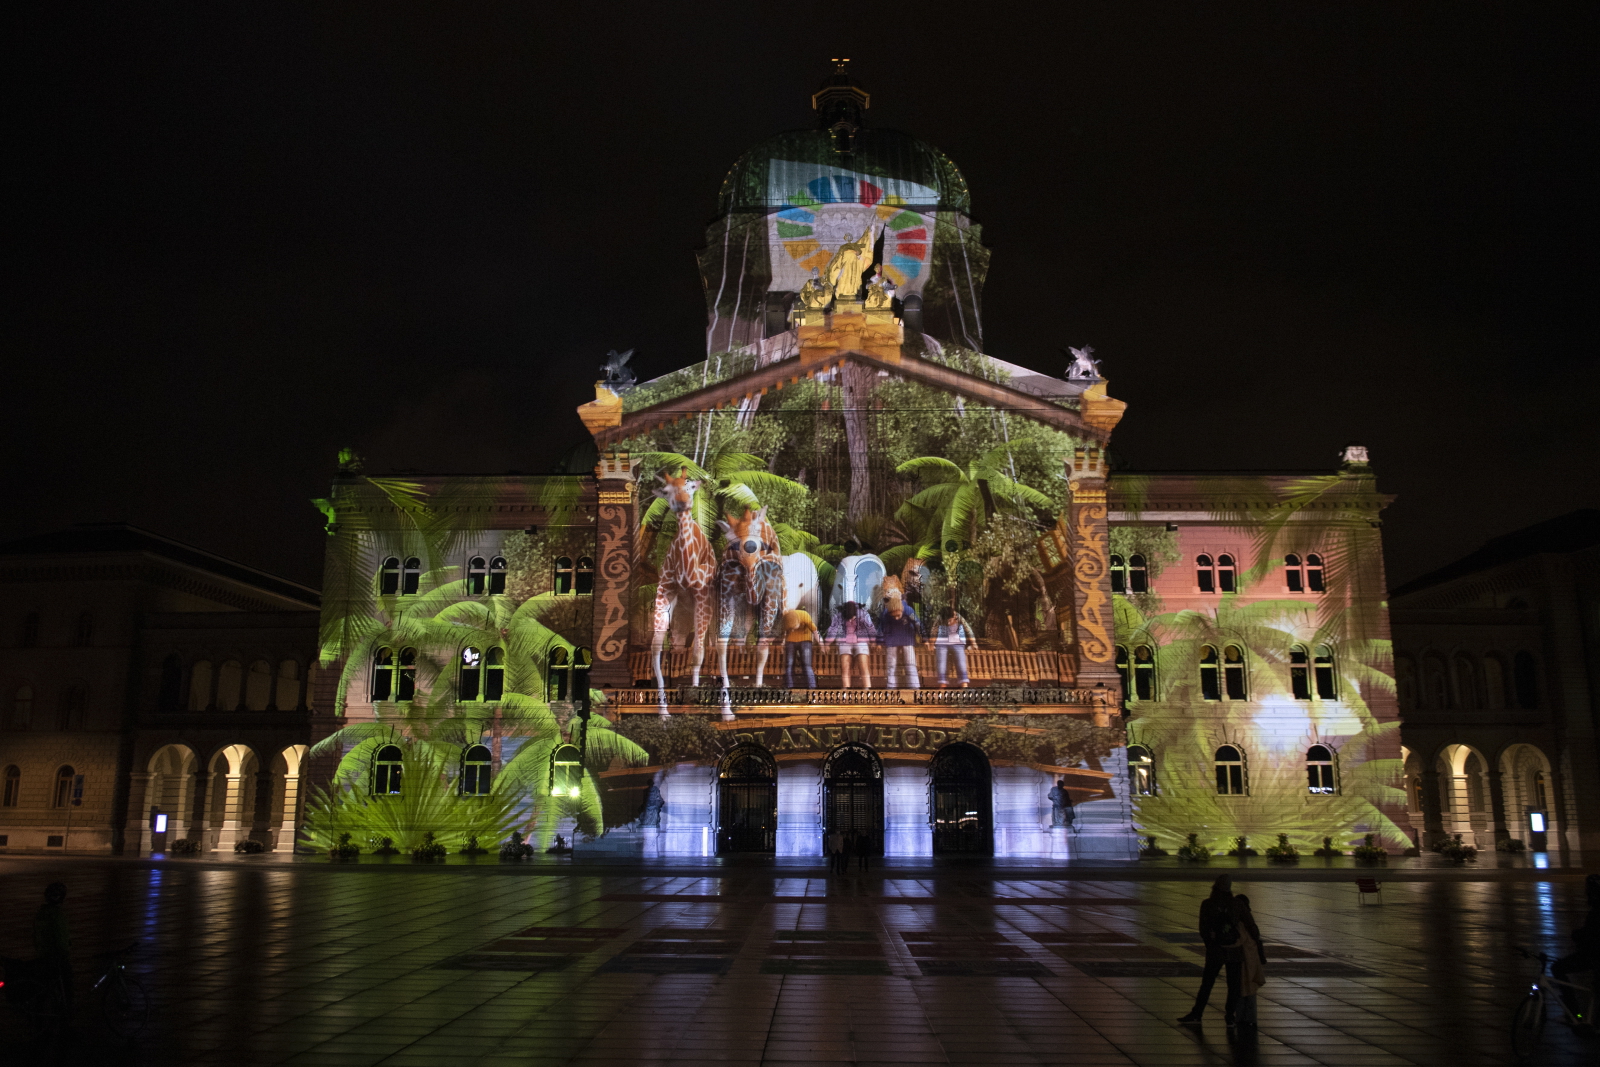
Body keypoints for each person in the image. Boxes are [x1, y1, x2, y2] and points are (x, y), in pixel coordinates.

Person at [1178, 875, 1240, 1026]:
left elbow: (1203, 930)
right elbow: (1248, 925)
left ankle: (1197, 1013)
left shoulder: (1207, 904)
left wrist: (1211, 943)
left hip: (1215, 950)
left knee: (1207, 983)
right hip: (1234, 950)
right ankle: (1230, 1015)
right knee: (1234, 985)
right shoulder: (1236, 904)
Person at [1553, 873, 1600, 1022]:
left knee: (1558, 968)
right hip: (1593, 955)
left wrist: (1577, 935)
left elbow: (1591, 935)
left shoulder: (1596, 910)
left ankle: (1573, 1012)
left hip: (1592, 956)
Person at [1228, 895, 1268, 1029]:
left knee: (1241, 989)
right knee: (1250, 990)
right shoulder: (1250, 924)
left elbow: (1238, 941)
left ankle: (1241, 1017)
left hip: (1243, 961)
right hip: (1252, 962)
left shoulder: (1240, 924)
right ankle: (1250, 1018)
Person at [33, 881, 72, 1008]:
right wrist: (66, 953)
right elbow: (61, 939)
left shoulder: (40, 914)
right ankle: (66, 1017)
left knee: (46, 987)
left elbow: (35, 935)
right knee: (67, 988)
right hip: (57, 958)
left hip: (43, 956)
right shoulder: (57, 915)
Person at [825, 602, 875, 688]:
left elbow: (870, 627)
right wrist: (828, 642)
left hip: (861, 641)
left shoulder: (863, 614)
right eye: (848, 618)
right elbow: (833, 628)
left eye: (853, 618)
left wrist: (873, 641)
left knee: (863, 663)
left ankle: (867, 687)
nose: (851, 620)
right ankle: (846, 688)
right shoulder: (839, 616)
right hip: (845, 641)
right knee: (845, 665)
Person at [877, 591, 921, 689]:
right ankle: (891, 688)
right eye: (894, 616)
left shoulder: (909, 610)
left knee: (910, 665)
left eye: (898, 615)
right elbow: (881, 628)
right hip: (892, 639)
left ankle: (915, 689)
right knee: (891, 666)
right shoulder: (885, 613)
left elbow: (917, 624)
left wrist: (923, 637)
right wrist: (879, 642)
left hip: (907, 638)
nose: (896, 618)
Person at [933, 607, 976, 687]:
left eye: (951, 620)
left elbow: (968, 629)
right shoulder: (939, 618)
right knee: (941, 662)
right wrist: (931, 643)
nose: (949, 623)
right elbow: (934, 630)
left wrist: (974, 643)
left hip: (957, 641)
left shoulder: (958, 617)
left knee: (961, 661)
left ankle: (964, 683)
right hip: (943, 641)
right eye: (947, 621)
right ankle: (942, 684)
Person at [782, 606, 820, 688]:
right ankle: (789, 688)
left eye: (794, 628)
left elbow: (815, 631)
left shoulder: (804, 615)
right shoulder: (786, 617)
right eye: (791, 629)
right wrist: (783, 643)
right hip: (790, 641)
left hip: (805, 640)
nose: (792, 630)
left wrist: (821, 643)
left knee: (806, 665)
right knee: (789, 664)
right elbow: (785, 632)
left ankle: (812, 688)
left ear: (799, 622)